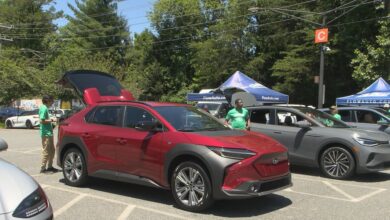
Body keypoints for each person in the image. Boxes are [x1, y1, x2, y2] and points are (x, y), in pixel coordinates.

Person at [39, 95, 59, 173]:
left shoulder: (46, 108)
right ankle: (43, 169)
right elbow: (42, 121)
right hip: (46, 134)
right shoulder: (43, 108)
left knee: (52, 151)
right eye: (51, 100)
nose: (53, 102)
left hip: (49, 133)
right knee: (46, 151)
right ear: (47, 100)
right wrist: (51, 120)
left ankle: (50, 167)